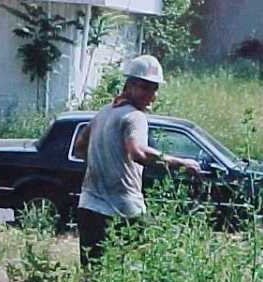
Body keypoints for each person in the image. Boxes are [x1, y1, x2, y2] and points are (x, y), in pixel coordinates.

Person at [75, 54, 202, 267]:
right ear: (130, 85)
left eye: (154, 89)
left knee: (92, 277)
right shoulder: (135, 117)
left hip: (88, 207)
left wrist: (105, 164)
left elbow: (80, 147)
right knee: (143, 268)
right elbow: (138, 153)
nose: (151, 95)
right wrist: (182, 163)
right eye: (145, 88)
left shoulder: (104, 112)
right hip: (123, 209)